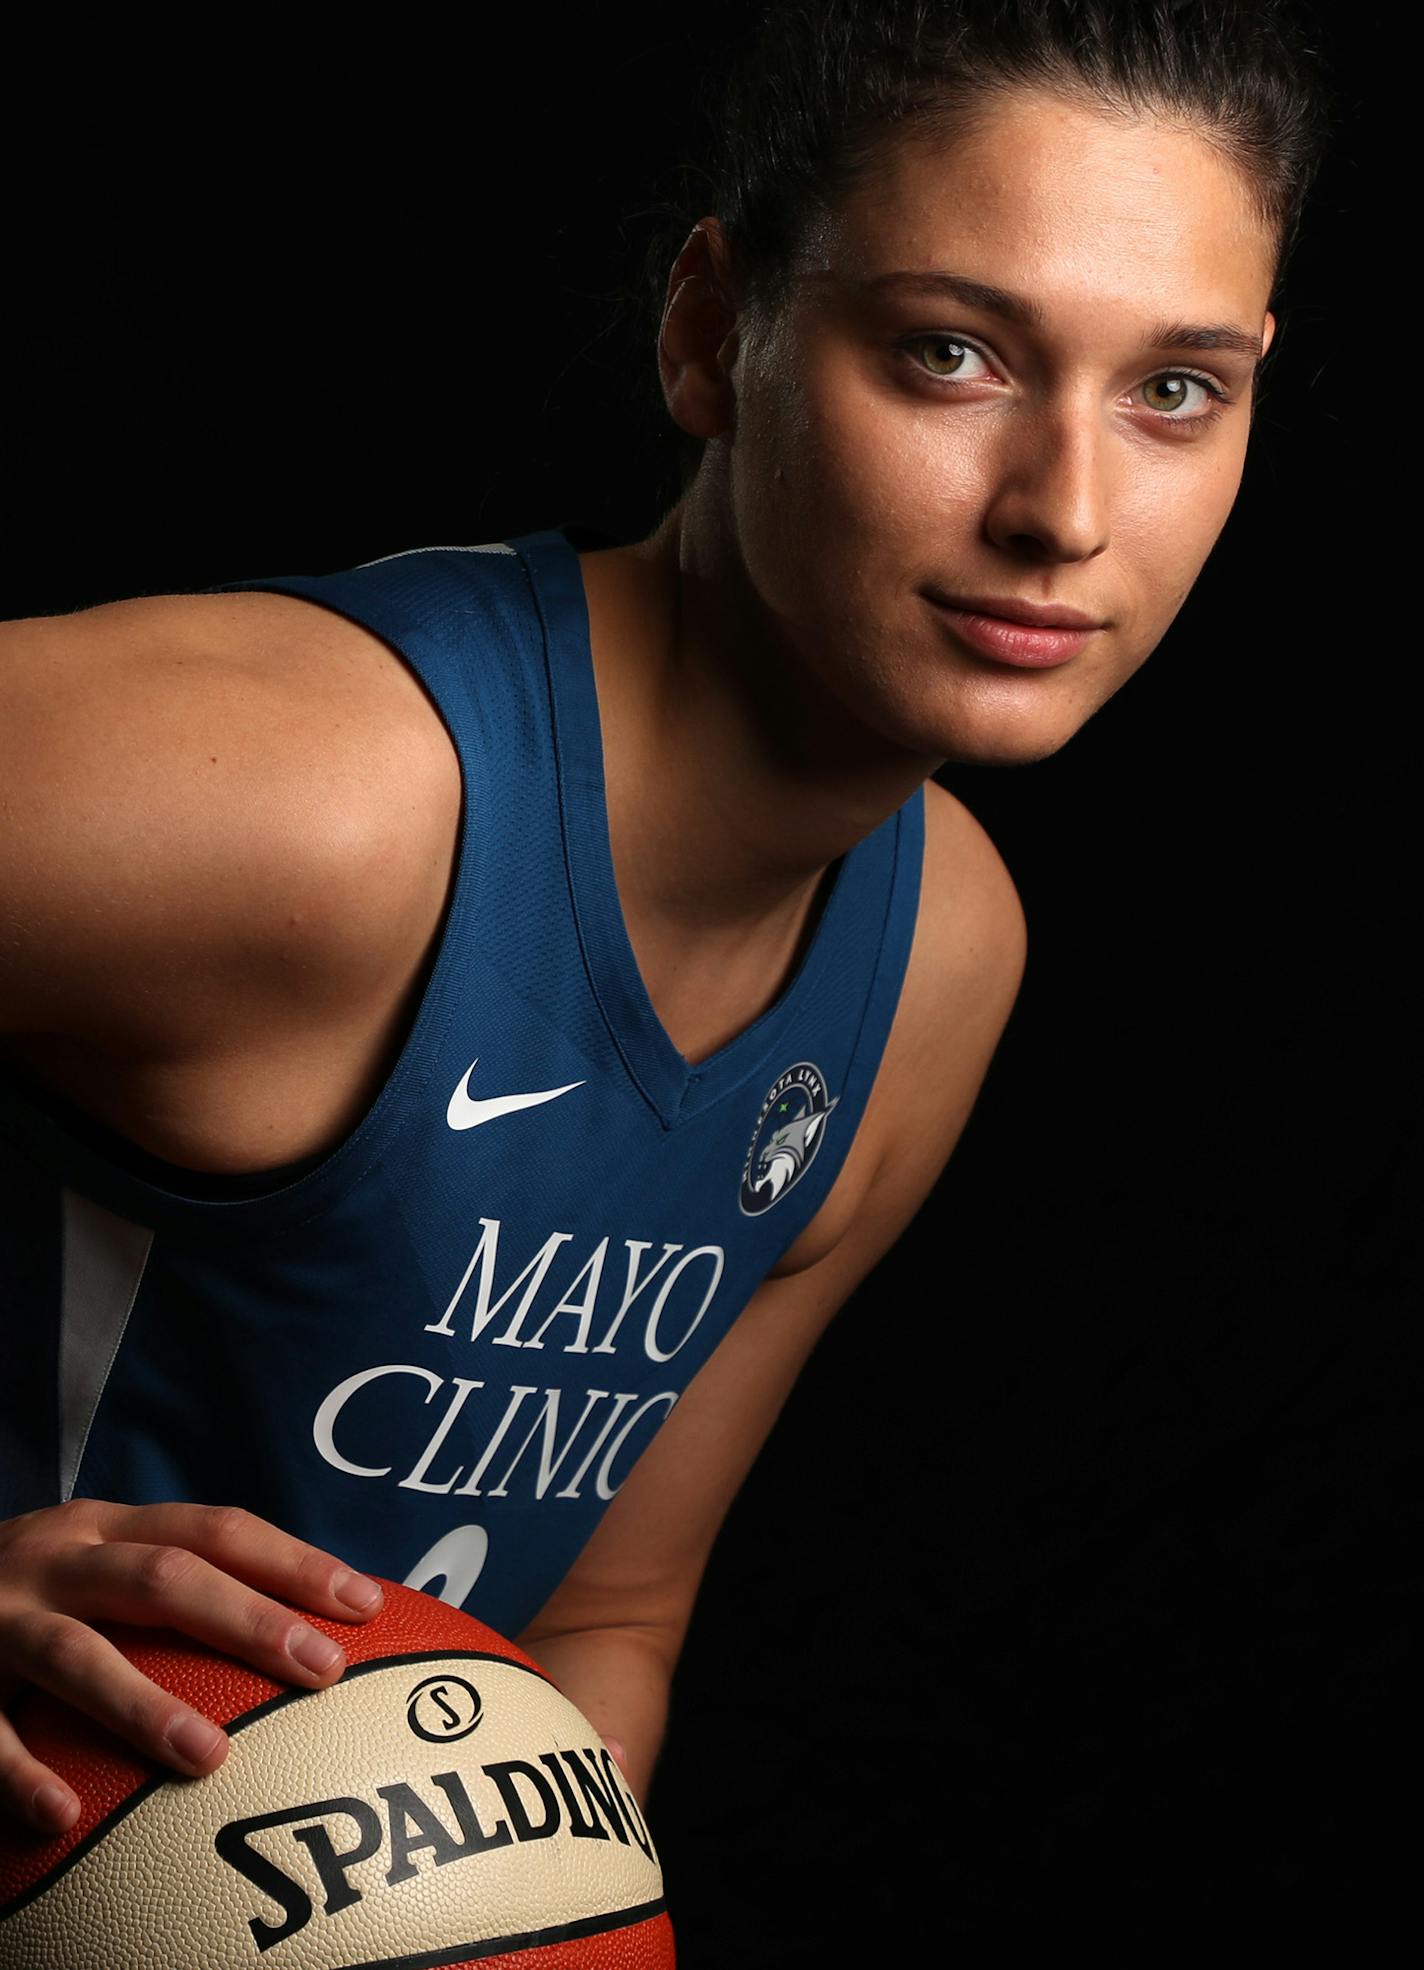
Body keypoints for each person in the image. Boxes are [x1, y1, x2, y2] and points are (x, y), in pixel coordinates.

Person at [0, 0, 1331, 1843]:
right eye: (950, 353)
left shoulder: (937, 949)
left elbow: (607, 1621)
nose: (1068, 512)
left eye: (1174, 389)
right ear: (717, 331)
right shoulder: (321, 797)